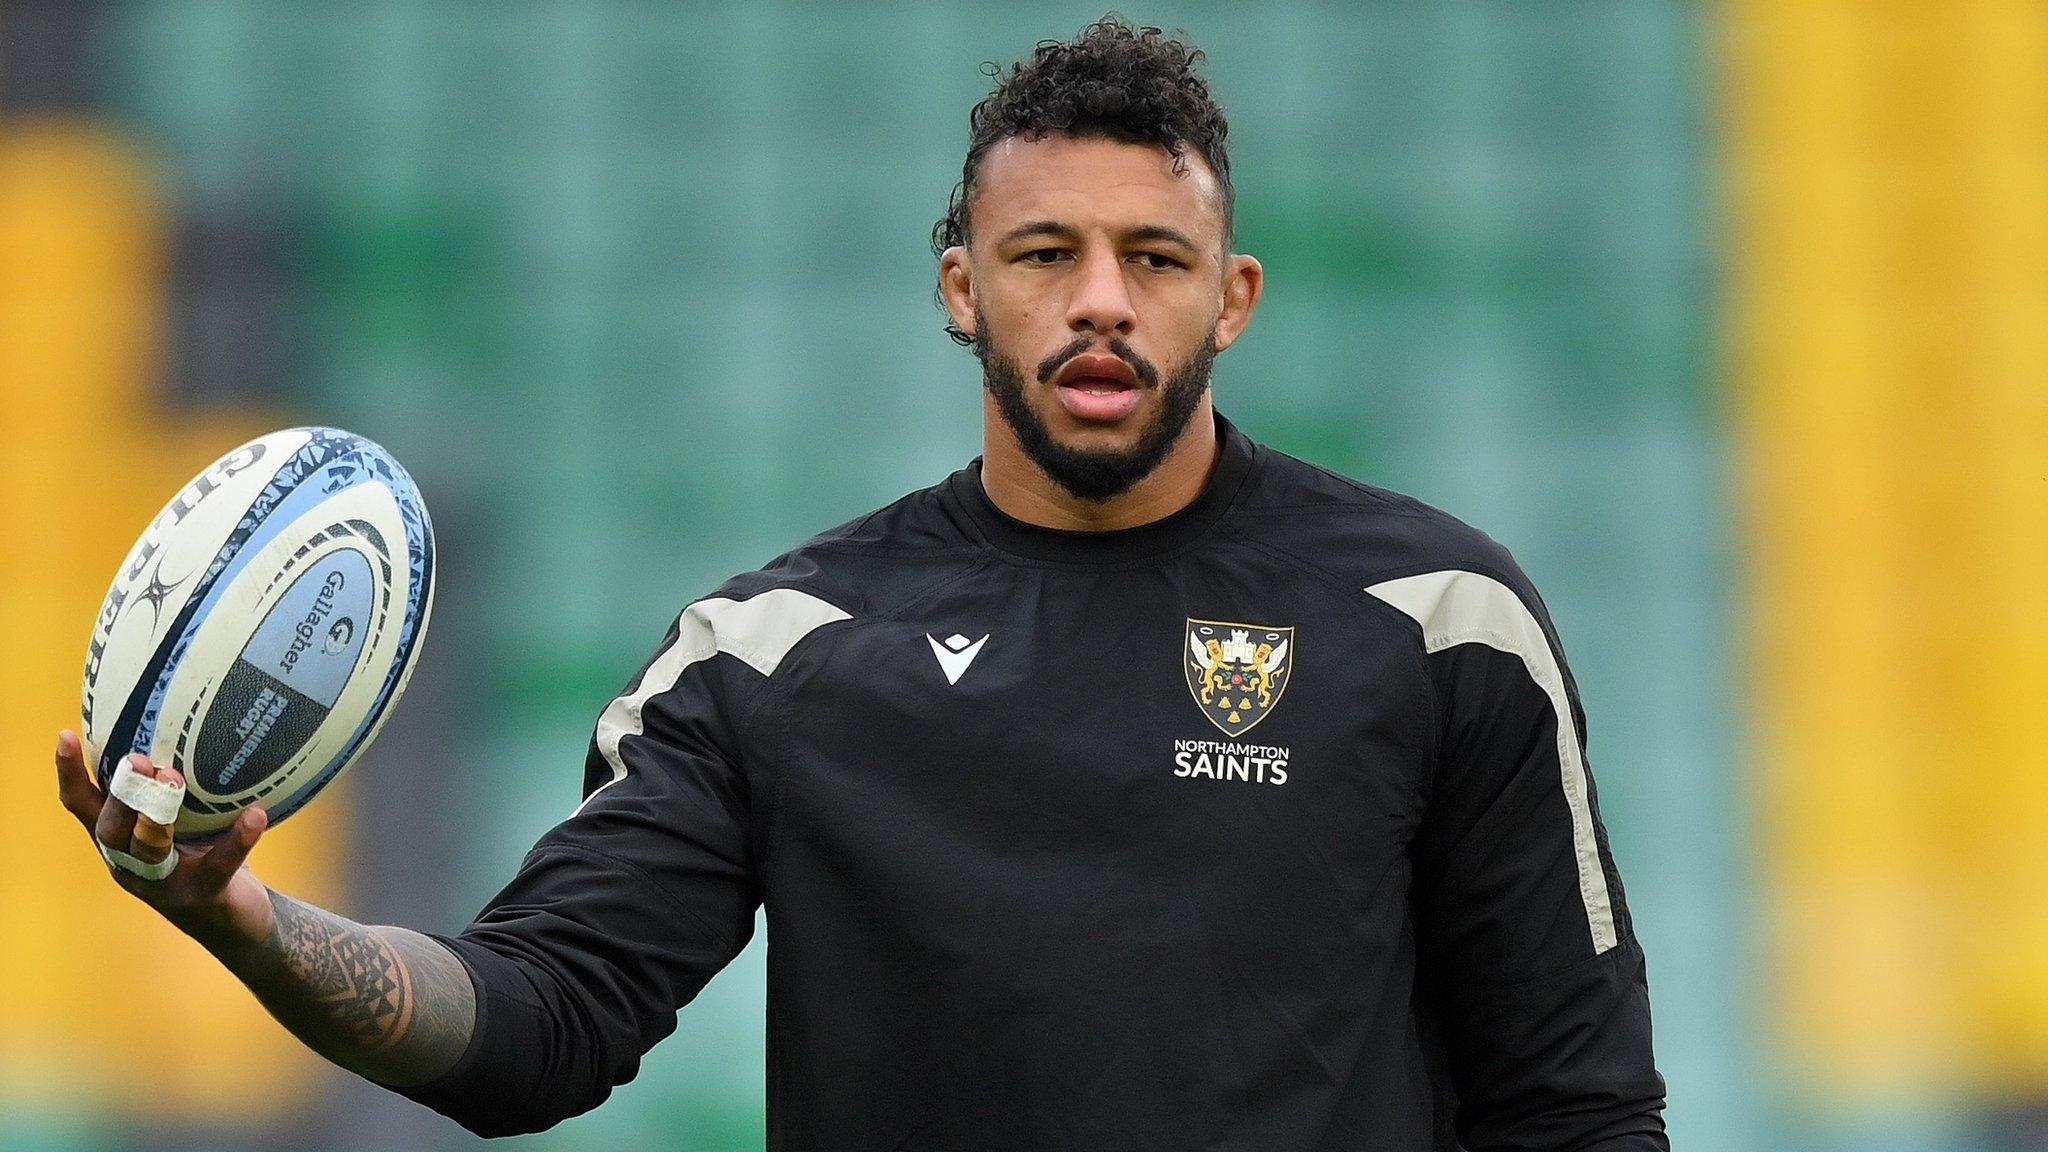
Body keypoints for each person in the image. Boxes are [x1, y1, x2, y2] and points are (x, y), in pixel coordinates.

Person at [55, 18, 1666, 1151]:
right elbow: (535, 1029)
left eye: (1154, 260)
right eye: (1045, 255)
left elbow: (1578, 1110)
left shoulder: (1441, 621)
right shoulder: (778, 656)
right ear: (961, 286)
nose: (1101, 302)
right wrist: (246, 921)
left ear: (1232, 296)